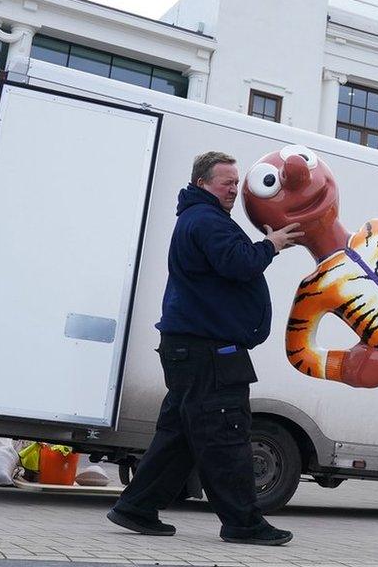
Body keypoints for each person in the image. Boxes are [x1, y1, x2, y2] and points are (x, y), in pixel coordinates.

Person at [107, 151, 303, 545]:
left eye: (235, 182)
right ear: (202, 184)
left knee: (179, 434)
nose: (234, 189)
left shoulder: (200, 218)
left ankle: (136, 507)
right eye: (226, 182)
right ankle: (243, 523)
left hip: (191, 349)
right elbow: (238, 263)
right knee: (226, 434)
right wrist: (271, 245)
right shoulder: (206, 221)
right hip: (207, 352)